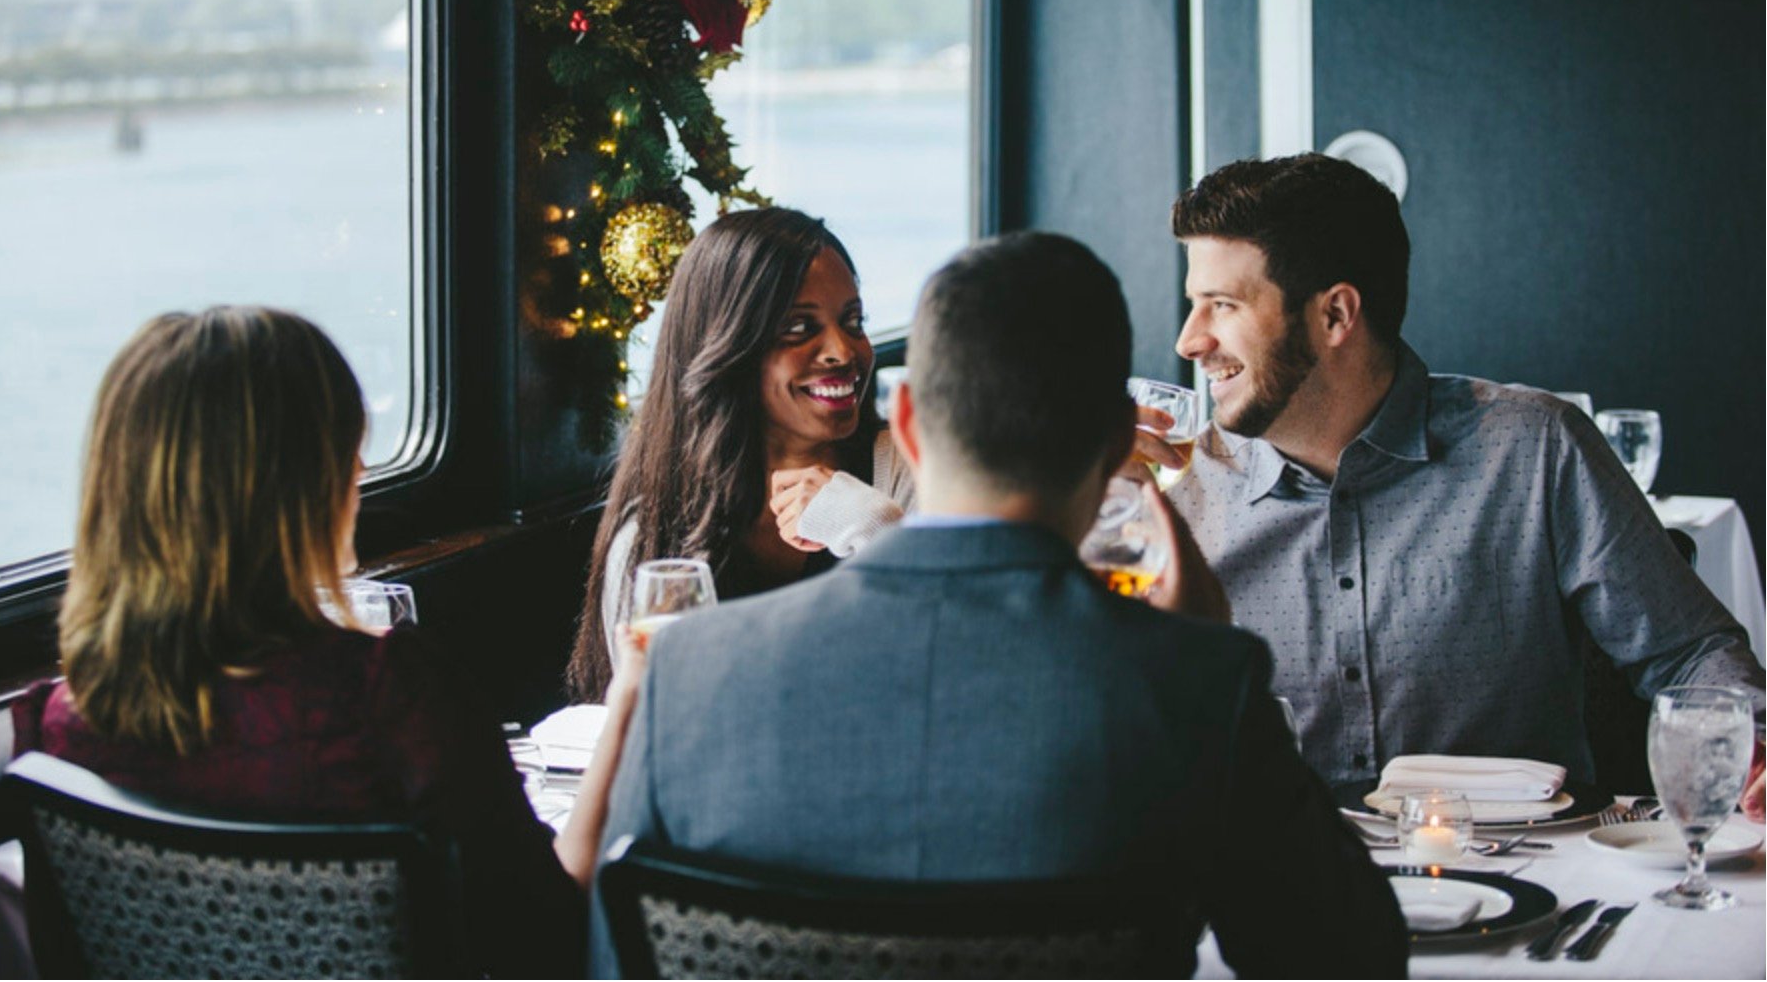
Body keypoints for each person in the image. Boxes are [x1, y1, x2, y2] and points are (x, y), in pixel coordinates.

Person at [593, 232, 1406, 977]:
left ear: (904, 422)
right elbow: (1348, 960)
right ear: (1117, 435)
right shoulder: (1198, 687)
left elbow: (605, 955)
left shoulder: (683, 669)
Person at [10, 307, 619, 977]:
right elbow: (543, 939)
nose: (358, 470)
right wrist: (625, 725)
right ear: (301, 485)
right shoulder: (387, 698)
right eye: (345, 449)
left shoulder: (60, 720)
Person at [1159, 153, 1764, 787]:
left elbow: (1691, 655)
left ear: (1335, 315)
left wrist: (1753, 748)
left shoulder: (1533, 450)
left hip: (1524, 873)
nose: (1189, 340)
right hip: (1282, 879)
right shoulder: (1178, 492)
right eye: (1194, 305)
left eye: (1221, 305)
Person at [566, 208, 914, 701]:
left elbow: (962, 654)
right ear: (728, 347)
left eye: (852, 321)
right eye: (799, 327)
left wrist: (871, 525)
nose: (843, 350)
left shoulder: (902, 470)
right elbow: (652, 717)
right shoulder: (653, 529)